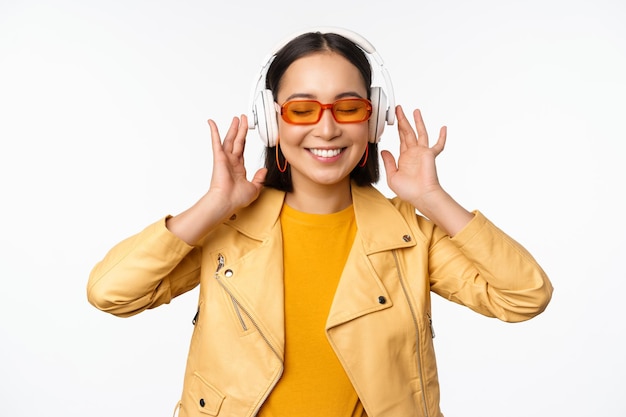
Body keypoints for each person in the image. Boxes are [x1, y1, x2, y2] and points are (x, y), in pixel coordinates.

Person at [87, 27, 553, 417]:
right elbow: (111, 293)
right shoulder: (226, 230)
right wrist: (212, 205)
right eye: (302, 109)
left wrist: (433, 198)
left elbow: (525, 296)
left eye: (348, 108)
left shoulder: (411, 236)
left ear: (372, 121)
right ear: (272, 123)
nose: (327, 129)